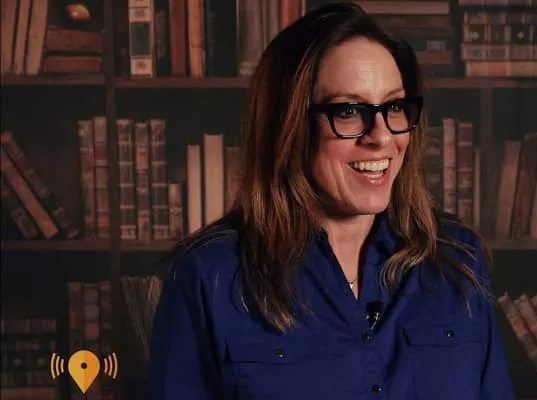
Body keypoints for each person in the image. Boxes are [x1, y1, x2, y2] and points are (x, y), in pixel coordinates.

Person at [148, 2, 515, 399]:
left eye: (394, 107)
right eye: (349, 111)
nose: (382, 137)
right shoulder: (209, 276)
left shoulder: (458, 260)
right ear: (289, 126)